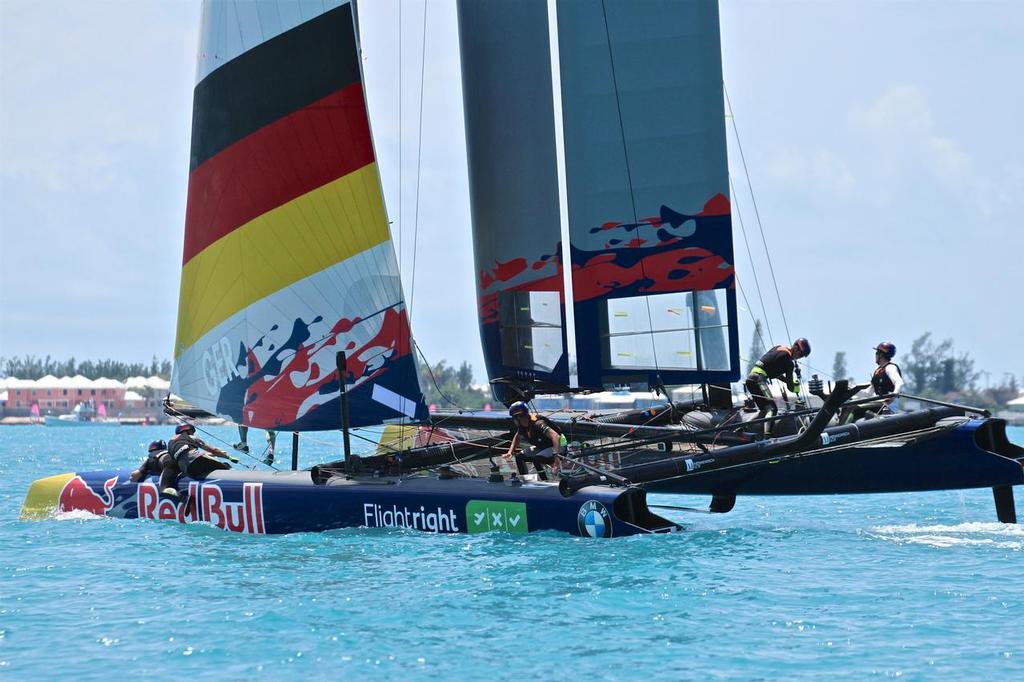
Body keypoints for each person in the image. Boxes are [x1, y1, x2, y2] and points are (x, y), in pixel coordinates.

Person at [745, 338, 811, 433]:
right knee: (772, 409)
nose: (799, 357)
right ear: (796, 348)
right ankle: (767, 437)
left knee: (764, 410)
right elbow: (790, 387)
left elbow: (772, 369)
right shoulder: (789, 363)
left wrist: (787, 381)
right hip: (758, 380)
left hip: (751, 378)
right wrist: (795, 386)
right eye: (801, 354)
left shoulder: (778, 348)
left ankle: (743, 428)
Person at [164, 423, 239, 497]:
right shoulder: (190, 437)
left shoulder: (170, 444)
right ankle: (236, 485)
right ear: (187, 431)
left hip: (187, 470)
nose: (193, 433)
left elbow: (185, 455)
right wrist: (228, 457)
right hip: (197, 461)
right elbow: (213, 450)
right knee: (226, 465)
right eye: (192, 431)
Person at [842, 342, 905, 423]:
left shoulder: (890, 367)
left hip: (886, 406)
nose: (875, 355)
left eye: (876, 353)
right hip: (878, 403)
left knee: (851, 407)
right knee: (847, 405)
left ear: (881, 355)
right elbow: (868, 393)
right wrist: (851, 389)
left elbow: (899, 382)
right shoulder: (878, 371)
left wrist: (893, 395)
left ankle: (841, 430)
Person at [502, 401, 564, 481]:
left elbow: (555, 436)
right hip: (544, 446)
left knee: (537, 459)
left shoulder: (538, 423)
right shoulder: (523, 426)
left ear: (518, 417)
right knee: (519, 456)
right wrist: (510, 452)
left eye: (513, 418)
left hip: (558, 446)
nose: (514, 421)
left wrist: (556, 456)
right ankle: (526, 481)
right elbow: (517, 437)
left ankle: (546, 482)